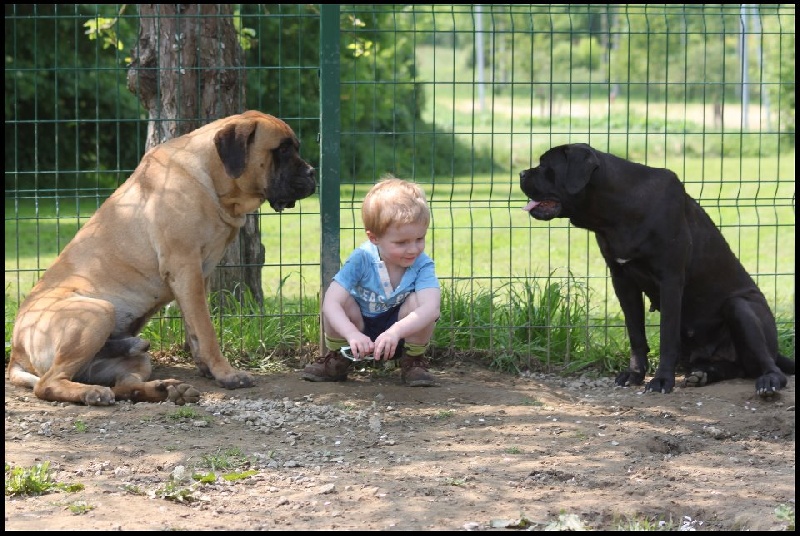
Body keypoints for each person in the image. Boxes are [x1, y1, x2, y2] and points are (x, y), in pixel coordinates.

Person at [302, 176, 441, 387]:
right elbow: (330, 303)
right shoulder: (362, 259)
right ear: (374, 237)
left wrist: (395, 332)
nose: (413, 249)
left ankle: (413, 361)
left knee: (419, 304)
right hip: (359, 328)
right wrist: (351, 333)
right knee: (340, 299)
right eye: (402, 242)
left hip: (400, 331)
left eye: (419, 239)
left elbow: (431, 309)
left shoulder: (422, 264)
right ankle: (339, 357)